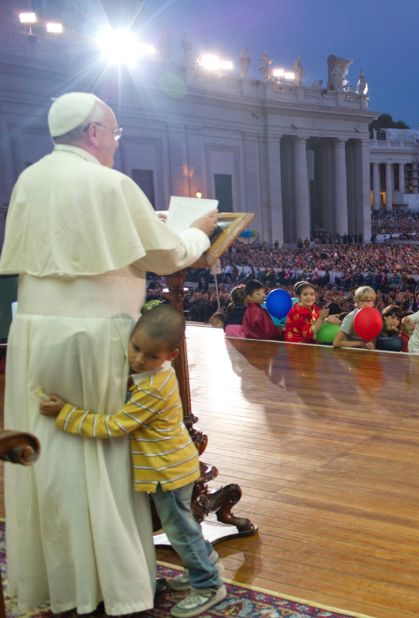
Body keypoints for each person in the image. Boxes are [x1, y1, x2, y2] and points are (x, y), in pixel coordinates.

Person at [0, 92, 216, 615]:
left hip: (34, 333)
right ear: (94, 131)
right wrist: (197, 231)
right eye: (114, 134)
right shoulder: (111, 183)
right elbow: (166, 253)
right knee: (100, 455)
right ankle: (116, 584)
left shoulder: (29, 178)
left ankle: (65, 580)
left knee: (51, 459)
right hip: (95, 336)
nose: (115, 144)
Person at [37, 306, 227, 617]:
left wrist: (66, 413)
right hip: (171, 465)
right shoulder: (152, 375)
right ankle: (205, 565)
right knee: (184, 526)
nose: (139, 359)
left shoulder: (152, 387)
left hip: (167, 471)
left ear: (171, 355)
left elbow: (115, 426)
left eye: (150, 356)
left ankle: (208, 585)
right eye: (135, 348)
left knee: (179, 530)